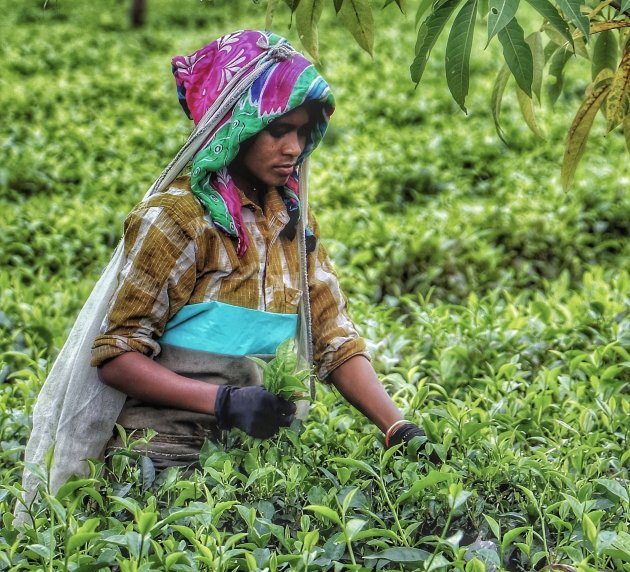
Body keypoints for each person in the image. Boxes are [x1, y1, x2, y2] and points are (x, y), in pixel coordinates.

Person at [21, 30, 428, 501]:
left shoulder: (292, 219)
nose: (294, 148)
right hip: (163, 455)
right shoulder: (178, 219)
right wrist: (223, 402)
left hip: (258, 459)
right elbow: (117, 358)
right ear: (235, 125)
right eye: (278, 130)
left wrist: (396, 427)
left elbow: (332, 337)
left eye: (301, 131)